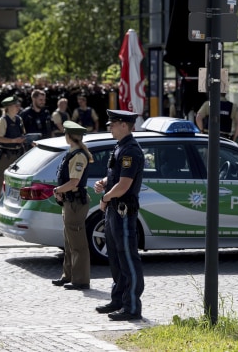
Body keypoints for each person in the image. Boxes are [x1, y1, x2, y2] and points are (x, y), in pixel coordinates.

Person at [93, 109, 144, 321]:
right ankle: (118, 300)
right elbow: (116, 176)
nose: (110, 127)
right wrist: (105, 182)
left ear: (125, 125)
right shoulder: (120, 147)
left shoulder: (131, 150)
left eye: (113, 124)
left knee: (127, 258)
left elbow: (124, 186)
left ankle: (132, 306)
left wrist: (105, 198)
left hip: (123, 209)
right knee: (115, 256)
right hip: (115, 210)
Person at [51, 121, 93, 290]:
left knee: (78, 243)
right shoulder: (72, 153)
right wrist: (61, 191)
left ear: (69, 136)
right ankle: (67, 275)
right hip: (69, 201)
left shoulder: (78, 156)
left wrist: (57, 190)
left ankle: (81, 280)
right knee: (69, 241)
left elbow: (74, 181)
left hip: (75, 202)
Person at [0, 96, 26, 192]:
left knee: (17, 182)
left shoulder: (19, 119)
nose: (18, 107)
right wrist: (14, 141)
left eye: (18, 105)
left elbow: (23, 134)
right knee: (0, 181)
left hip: (18, 155)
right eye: (15, 105)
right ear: (8, 107)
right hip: (5, 155)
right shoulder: (3, 120)